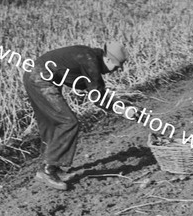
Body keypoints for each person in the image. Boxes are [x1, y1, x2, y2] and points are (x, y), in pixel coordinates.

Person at [23, 42, 135, 190]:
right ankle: (47, 170)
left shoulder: (90, 56)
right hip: (39, 79)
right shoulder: (90, 61)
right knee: (68, 122)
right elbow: (98, 98)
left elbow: (94, 91)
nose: (115, 71)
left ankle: (53, 168)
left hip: (34, 75)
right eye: (115, 67)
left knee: (53, 123)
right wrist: (123, 110)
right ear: (108, 59)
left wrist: (121, 105)